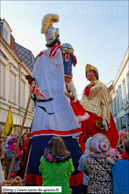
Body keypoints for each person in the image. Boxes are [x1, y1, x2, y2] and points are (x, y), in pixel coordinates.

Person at [26, 13, 83, 194]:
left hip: (44, 106)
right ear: (57, 37)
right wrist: (74, 93)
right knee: (64, 127)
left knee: (42, 132)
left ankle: (36, 186)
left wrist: (34, 92)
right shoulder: (63, 53)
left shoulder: (40, 57)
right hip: (58, 102)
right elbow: (67, 78)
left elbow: (34, 83)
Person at [79, 64, 119, 152]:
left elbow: (104, 101)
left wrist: (105, 119)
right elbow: (83, 102)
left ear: (95, 73)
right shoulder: (86, 87)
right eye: (86, 72)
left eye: (90, 71)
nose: (88, 73)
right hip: (87, 116)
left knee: (99, 137)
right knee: (86, 139)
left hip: (98, 114)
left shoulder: (101, 85)